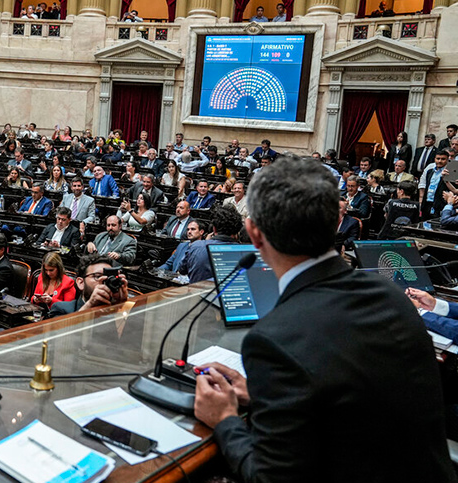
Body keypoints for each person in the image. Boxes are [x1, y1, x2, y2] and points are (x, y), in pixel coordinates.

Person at [193, 156, 455, 483]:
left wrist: (225, 419)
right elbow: (351, 404)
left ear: (254, 234)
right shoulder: (391, 297)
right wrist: (264, 396)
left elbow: (268, 478)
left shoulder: (273, 339)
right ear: (335, 224)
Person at [48, 254, 129, 317]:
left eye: (109, 278)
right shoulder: (62, 308)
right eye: (97, 276)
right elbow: (62, 335)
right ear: (81, 282)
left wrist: (121, 307)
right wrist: (90, 305)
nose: (104, 282)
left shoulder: (122, 308)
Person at [178, 205, 242, 282]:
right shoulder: (245, 253)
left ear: (214, 229)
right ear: (237, 231)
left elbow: (182, 270)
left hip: (197, 293)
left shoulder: (196, 246)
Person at [419, 150, 451, 217]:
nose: (439, 161)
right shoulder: (430, 171)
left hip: (440, 205)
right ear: (434, 159)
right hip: (427, 203)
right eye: (438, 158)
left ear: (448, 160)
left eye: (443, 159)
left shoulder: (449, 173)